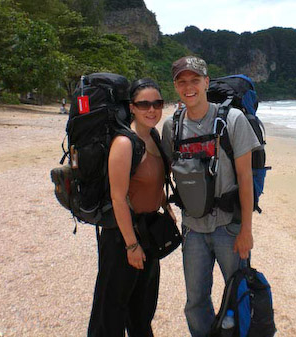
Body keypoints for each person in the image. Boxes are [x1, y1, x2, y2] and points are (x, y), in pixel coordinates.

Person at [161, 56, 261, 337]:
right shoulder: (172, 127)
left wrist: (246, 230)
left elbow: (245, 178)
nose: (189, 87)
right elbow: (165, 170)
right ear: (176, 87)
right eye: (182, 82)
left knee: (237, 295)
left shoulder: (232, 120)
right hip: (192, 229)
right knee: (195, 303)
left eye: (195, 80)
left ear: (207, 82)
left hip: (229, 228)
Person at [88, 78, 174, 337]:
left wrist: (165, 206)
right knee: (111, 309)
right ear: (132, 107)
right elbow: (118, 198)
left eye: (157, 103)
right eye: (144, 104)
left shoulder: (155, 138)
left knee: (142, 308)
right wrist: (131, 245)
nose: (152, 109)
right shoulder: (125, 143)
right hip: (122, 235)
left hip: (149, 231)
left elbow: (152, 182)